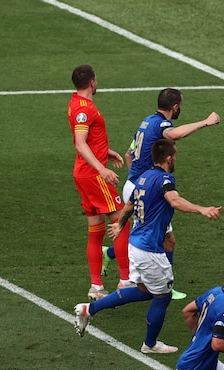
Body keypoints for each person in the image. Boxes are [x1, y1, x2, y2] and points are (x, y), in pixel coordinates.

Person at [74, 139, 222, 354]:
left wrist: (119, 226)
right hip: (149, 250)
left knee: (144, 292)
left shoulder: (143, 178)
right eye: (175, 157)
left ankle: (90, 309)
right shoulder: (165, 180)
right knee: (164, 296)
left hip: (136, 244)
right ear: (169, 159)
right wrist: (202, 209)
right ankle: (150, 344)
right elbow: (174, 201)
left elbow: (129, 206)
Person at [102, 88, 221, 300]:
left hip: (135, 185)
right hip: (145, 190)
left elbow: (130, 154)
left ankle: (112, 256)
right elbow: (174, 134)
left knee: (149, 234)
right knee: (164, 241)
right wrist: (206, 122)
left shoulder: (146, 121)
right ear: (175, 107)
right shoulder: (161, 125)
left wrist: (138, 179)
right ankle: (142, 283)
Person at [68, 64, 130, 300]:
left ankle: (96, 287)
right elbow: (80, 143)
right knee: (122, 221)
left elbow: (87, 140)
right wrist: (102, 169)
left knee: (96, 230)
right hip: (93, 175)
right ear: (92, 82)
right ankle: (126, 282)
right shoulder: (85, 108)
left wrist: (107, 152)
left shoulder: (75, 103)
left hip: (83, 173)